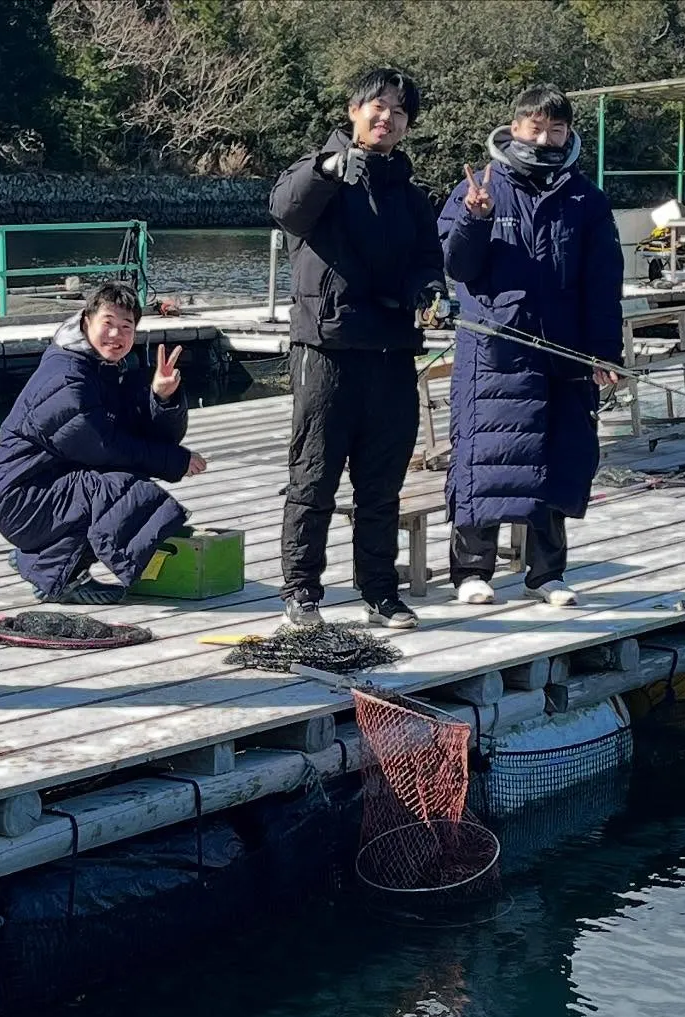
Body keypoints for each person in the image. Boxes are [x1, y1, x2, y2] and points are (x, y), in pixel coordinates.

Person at [269, 68, 447, 630]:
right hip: (326, 348)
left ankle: (380, 591)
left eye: (398, 111)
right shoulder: (318, 173)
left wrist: (429, 290)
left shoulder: (414, 197)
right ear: (353, 110)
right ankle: (302, 591)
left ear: (407, 126)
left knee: (381, 482)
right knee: (314, 475)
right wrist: (326, 169)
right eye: (377, 106)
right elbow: (285, 208)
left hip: (393, 352)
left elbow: (427, 258)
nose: (385, 117)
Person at [438, 84, 623, 608]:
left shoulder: (587, 198)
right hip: (494, 351)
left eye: (555, 129)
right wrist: (474, 218)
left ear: (568, 134)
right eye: (535, 127)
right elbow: (456, 267)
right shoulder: (478, 186)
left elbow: (603, 281)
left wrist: (604, 351)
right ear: (515, 126)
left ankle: (547, 574)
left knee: (557, 457)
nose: (544, 138)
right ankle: (472, 571)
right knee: (484, 457)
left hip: (564, 352)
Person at [0, 282, 206, 605]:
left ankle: (39, 561)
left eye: (126, 327)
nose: (116, 335)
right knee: (124, 492)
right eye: (108, 323)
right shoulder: (65, 376)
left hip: (50, 490)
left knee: (120, 485)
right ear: (86, 321)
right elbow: (102, 448)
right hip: (22, 499)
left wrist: (162, 396)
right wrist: (174, 461)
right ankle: (63, 578)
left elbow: (146, 436)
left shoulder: (105, 369)